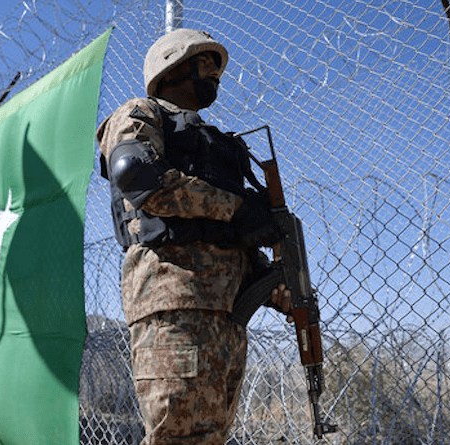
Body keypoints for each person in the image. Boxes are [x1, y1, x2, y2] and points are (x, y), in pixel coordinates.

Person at [96, 28, 290, 444]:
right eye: (205, 63)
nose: (216, 75)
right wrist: (238, 208)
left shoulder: (221, 144)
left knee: (210, 439)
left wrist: (279, 287)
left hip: (228, 315)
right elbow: (140, 179)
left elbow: (230, 235)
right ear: (172, 66)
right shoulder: (140, 113)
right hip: (175, 306)